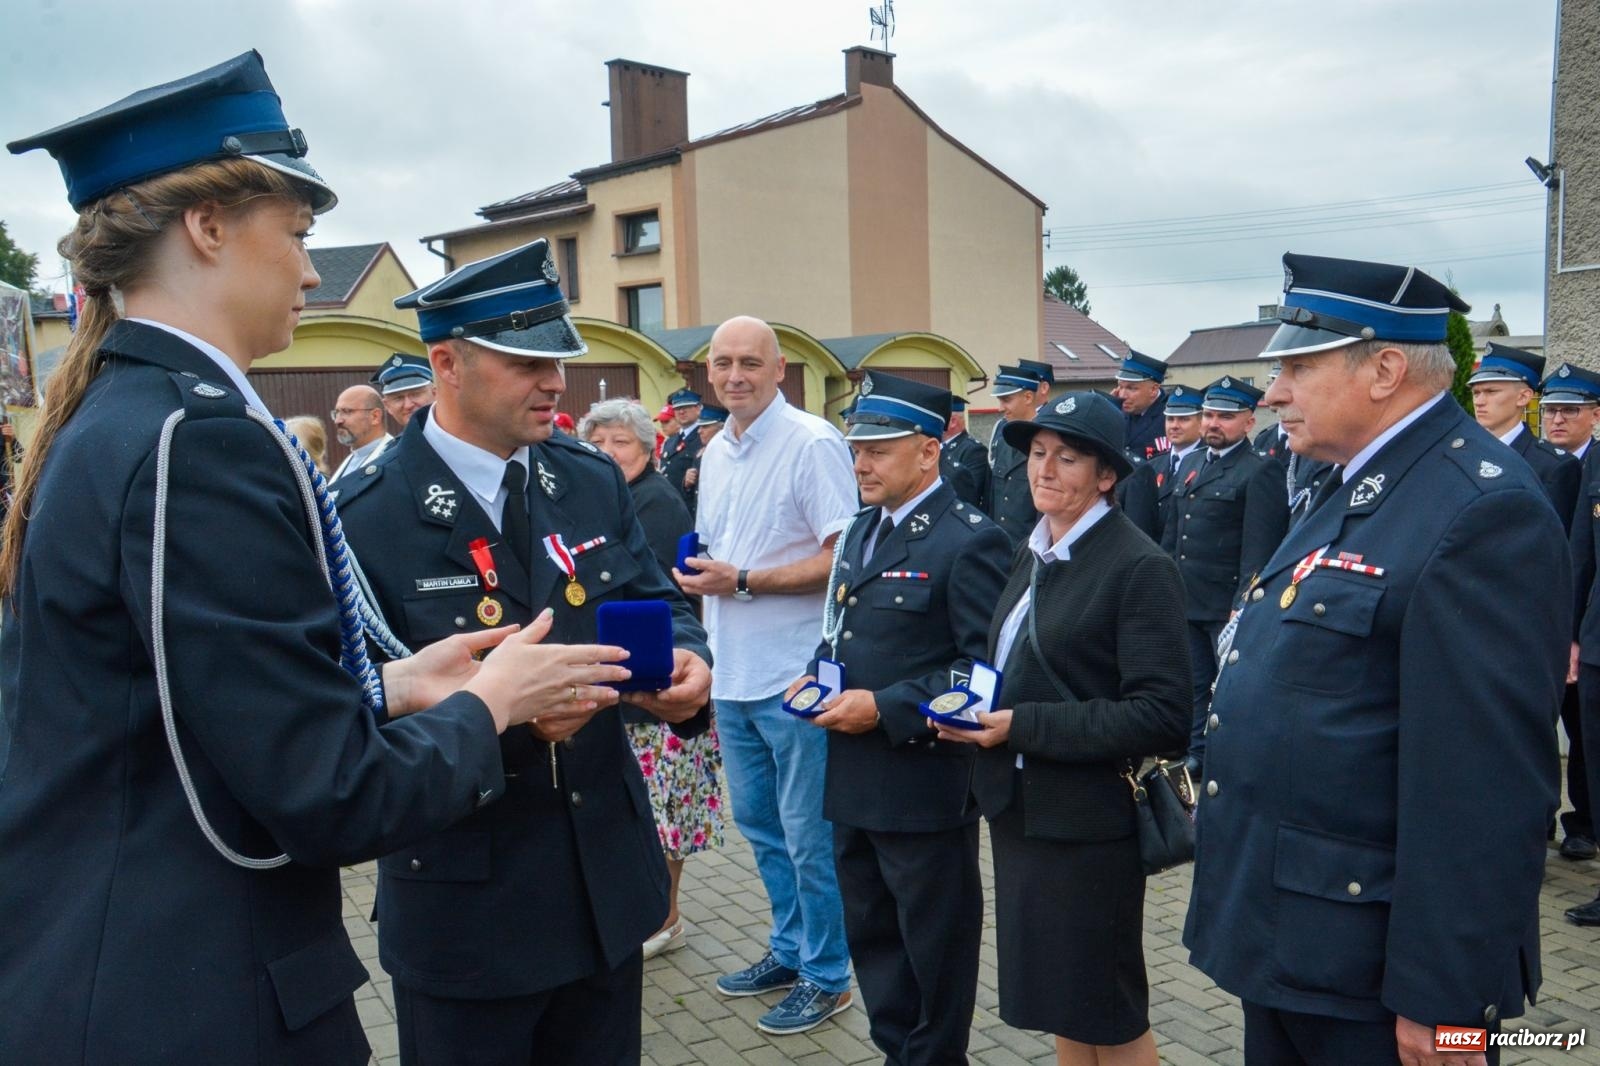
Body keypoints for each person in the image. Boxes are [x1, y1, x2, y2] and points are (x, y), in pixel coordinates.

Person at [0, 52, 614, 1065]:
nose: (306, 269)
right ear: (207, 228)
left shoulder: (120, 416)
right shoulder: (198, 442)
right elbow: (330, 794)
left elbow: (167, 717)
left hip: (121, 971)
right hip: (196, 995)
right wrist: (488, 703)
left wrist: (387, 684)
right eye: (294, 234)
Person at [334, 239, 713, 1066]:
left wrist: (686, 663)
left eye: (559, 361)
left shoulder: (585, 477)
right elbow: (351, 715)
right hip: (471, 908)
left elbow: (652, 597)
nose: (556, 383)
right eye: (527, 362)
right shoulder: (362, 514)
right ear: (447, 363)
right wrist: (511, 720)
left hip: (603, 888)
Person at [1184, 253, 1567, 1066]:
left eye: (1296, 365)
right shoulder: (1354, 482)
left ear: (1386, 368)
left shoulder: (1481, 509)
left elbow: (1485, 786)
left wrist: (1445, 997)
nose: (1274, 391)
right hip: (1296, 940)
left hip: (1385, 980)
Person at [935, 390, 1190, 1066]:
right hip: (1024, 813)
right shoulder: (1038, 547)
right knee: (1062, 999)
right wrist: (969, 709)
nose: (1044, 470)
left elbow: (1161, 716)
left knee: (1107, 1007)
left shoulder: (1138, 566)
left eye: (1067, 458)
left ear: (1106, 475)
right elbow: (1016, 660)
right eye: (1037, 454)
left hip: (1087, 825)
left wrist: (1019, 726)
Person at [788, 371, 1009, 1064]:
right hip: (851, 777)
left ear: (927, 450)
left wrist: (883, 707)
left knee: (931, 951)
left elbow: (983, 674)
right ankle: (896, 1053)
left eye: (878, 450)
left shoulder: (970, 540)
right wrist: (817, 680)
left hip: (922, 786)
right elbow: (842, 632)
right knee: (875, 942)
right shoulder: (859, 531)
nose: (860, 465)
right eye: (857, 449)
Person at [675, 315, 859, 1036]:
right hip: (733, 674)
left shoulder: (812, 443)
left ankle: (829, 973)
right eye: (722, 363)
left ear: (780, 369)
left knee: (809, 835)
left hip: (794, 674)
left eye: (750, 362)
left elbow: (844, 558)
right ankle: (789, 949)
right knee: (760, 826)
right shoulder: (718, 447)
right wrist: (704, 577)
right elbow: (725, 552)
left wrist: (743, 579)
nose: (734, 375)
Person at [580, 396, 725, 960]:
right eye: (599, 443)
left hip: (659, 686)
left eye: (622, 443)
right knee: (644, 813)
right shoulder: (602, 497)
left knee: (665, 815)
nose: (609, 453)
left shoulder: (655, 502)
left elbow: (662, 599)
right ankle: (648, 912)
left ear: (648, 449)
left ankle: (665, 918)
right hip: (626, 684)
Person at [1163, 376, 1287, 770]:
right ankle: (1199, 752)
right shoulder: (1193, 464)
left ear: (1249, 422)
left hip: (1225, 603)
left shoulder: (1259, 471)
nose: (1214, 423)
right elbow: (1173, 535)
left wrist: (1243, 605)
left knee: (1232, 686)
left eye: (1226, 417)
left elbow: (1259, 549)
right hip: (1187, 596)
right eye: (1210, 415)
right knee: (1195, 681)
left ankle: (1235, 757)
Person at [1542, 364, 1600, 862]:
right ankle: (1546, 816)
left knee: (1584, 732)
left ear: (1594, 415)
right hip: (1547, 618)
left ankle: (1582, 823)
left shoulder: (1591, 465)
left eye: (1569, 410)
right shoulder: (1537, 462)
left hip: (1584, 624)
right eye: (1551, 410)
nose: (1558, 419)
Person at [1469, 342, 1581, 535]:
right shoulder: (1465, 453)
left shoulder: (1554, 466)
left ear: (1523, 397)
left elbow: (1558, 542)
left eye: (1491, 391)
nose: (1479, 401)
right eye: (1476, 392)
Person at [1120, 382, 1202, 542]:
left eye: (1184, 419)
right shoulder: (1152, 465)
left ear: (1201, 423)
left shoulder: (1207, 463)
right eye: (1170, 419)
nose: (1175, 426)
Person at [984, 363, 1050, 548]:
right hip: (1001, 548)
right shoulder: (1004, 437)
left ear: (1028, 397)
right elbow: (994, 496)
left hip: (1031, 548)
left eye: (1006, 400)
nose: (1000, 408)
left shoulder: (1047, 440)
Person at [1111, 349, 1171, 466]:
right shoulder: (1116, 411)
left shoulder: (1170, 417)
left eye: (1131, 388)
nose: (1122, 395)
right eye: (1120, 386)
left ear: (1153, 389)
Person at [327, 383, 391, 483]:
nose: (338, 420)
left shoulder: (394, 460)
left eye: (347, 411)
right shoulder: (353, 458)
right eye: (336, 413)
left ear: (375, 416)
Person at [939, 393, 990, 508]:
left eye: (938, 419)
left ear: (952, 422)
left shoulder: (974, 451)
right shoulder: (938, 447)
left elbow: (967, 492)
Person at [659, 387, 703, 504]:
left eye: (686, 407)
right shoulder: (670, 441)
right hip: (670, 505)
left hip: (691, 506)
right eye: (677, 408)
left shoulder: (703, 438)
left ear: (698, 408)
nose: (681, 412)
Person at [372, 352, 436, 431]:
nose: (408, 405)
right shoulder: (396, 443)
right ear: (387, 406)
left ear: (435, 394)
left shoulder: (454, 437)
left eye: (415, 394)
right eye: (398, 398)